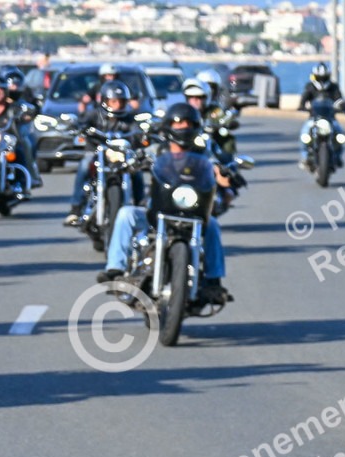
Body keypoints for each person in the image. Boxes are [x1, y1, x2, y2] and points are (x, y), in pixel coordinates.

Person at [96, 103, 232, 305]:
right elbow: (136, 155)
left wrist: (224, 174)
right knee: (126, 214)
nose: (183, 128)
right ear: (169, 126)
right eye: (178, 123)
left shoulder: (203, 153)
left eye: (188, 124)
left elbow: (217, 168)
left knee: (212, 224)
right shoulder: (157, 149)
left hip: (191, 210)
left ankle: (214, 280)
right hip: (157, 210)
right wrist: (130, 161)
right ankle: (115, 269)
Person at [66, 79, 142, 225]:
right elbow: (81, 122)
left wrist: (141, 134)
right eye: (114, 101)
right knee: (84, 166)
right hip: (96, 152)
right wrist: (79, 127)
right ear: (105, 101)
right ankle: (75, 208)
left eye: (121, 101)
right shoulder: (94, 115)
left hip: (121, 155)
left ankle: (141, 207)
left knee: (137, 173)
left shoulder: (129, 118)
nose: (117, 105)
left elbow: (136, 131)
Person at [0, 75, 37, 190]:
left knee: (20, 152)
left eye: (0, 89)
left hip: (6, 143)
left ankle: (21, 184)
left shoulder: (13, 108)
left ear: (6, 91)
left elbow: (26, 113)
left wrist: (25, 116)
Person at [297, 63, 345, 168]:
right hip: (314, 117)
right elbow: (304, 99)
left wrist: (341, 106)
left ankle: (338, 155)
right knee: (305, 133)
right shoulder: (310, 87)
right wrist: (302, 106)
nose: (322, 80)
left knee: (339, 133)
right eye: (320, 77)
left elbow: (339, 99)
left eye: (324, 77)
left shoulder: (333, 87)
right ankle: (305, 156)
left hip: (330, 117)